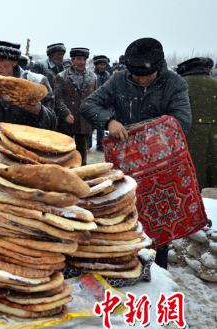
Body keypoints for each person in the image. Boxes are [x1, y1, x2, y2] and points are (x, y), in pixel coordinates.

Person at [82, 37, 192, 269]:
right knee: (124, 215)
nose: (141, 80)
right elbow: (89, 105)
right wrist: (109, 120)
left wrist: (147, 134)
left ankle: (159, 270)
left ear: (159, 68)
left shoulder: (175, 83)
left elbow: (182, 122)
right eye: (136, 76)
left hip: (161, 167)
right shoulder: (119, 80)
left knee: (158, 223)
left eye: (146, 76)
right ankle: (127, 265)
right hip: (126, 165)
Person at [176, 57, 217, 189]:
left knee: (192, 176)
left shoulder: (180, 84)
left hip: (187, 137)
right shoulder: (214, 84)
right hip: (214, 138)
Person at [54, 47, 98, 165]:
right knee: (64, 152)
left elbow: (95, 98)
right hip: (67, 120)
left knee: (82, 154)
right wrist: (65, 113)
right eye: (78, 59)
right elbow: (57, 98)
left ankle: (82, 175)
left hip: (84, 121)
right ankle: (63, 173)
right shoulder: (61, 76)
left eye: (84, 59)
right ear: (72, 60)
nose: (81, 62)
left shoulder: (93, 77)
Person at [92, 54, 111, 150]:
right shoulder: (92, 74)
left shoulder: (107, 75)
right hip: (93, 101)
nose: (102, 66)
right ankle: (88, 144)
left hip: (103, 103)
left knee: (101, 125)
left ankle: (100, 145)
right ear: (96, 65)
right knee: (89, 125)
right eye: (100, 64)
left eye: (104, 64)